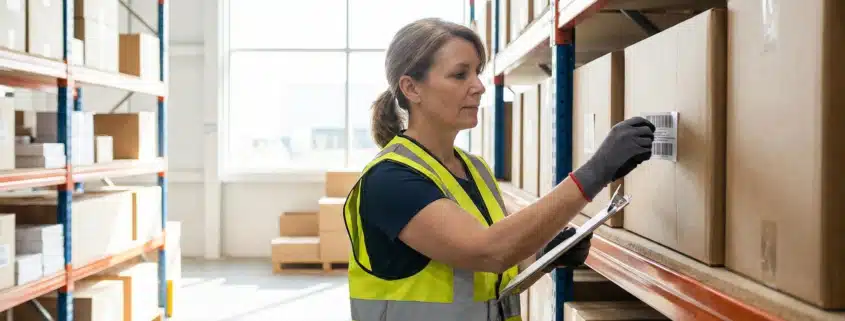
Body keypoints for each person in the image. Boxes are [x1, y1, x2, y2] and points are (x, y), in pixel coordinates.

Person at [343, 18, 655, 321]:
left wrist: (541, 256)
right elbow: (489, 251)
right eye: (459, 75)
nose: (478, 86)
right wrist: (596, 171)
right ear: (412, 88)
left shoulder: (474, 169)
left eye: (477, 72)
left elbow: (489, 277)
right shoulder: (390, 180)